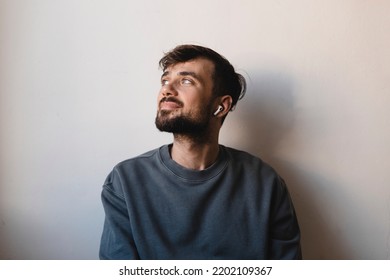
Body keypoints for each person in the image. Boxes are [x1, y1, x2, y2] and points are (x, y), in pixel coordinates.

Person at [99, 44, 302, 260]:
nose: (166, 90)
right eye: (165, 81)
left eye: (186, 81)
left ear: (221, 106)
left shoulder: (266, 183)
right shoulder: (125, 181)